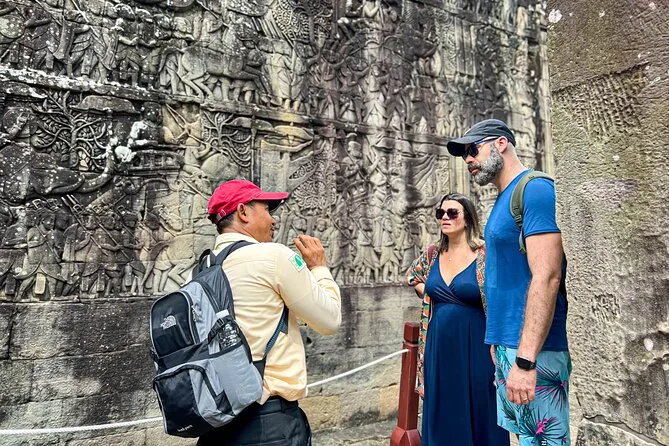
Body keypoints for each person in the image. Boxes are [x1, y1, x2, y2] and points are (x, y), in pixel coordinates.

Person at [447, 119, 571, 445]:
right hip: (507, 345)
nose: (468, 159)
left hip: (535, 352)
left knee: (546, 442)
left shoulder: (536, 190)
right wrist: (497, 340)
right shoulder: (504, 198)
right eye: (464, 155)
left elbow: (547, 276)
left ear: (500, 144)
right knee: (525, 439)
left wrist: (525, 359)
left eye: (473, 150)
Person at [198, 179, 342, 446]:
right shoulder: (273, 257)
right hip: (268, 421)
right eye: (266, 209)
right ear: (243, 212)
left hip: (216, 418)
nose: (273, 220)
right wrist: (319, 268)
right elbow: (330, 319)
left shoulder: (202, 268)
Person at [406, 193, 509, 446]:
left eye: (452, 213)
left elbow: (504, 293)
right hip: (438, 349)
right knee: (444, 412)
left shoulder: (485, 254)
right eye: (440, 213)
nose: (445, 217)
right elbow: (412, 276)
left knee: (481, 408)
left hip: (477, 347)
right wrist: (432, 294)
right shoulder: (433, 254)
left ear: (468, 219)